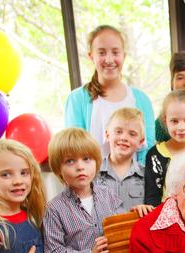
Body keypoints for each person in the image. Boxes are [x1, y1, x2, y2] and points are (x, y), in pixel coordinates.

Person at [64, 24, 155, 166]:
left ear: (123, 55)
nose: (109, 59)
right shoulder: (77, 99)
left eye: (115, 52)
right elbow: (73, 149)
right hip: (92, 184)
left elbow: (147, 150)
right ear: (91, 56)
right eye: (101, 53)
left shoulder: (141, 99)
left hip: (133, 183)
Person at [97, 107, 154, 217]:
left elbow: (154, 212)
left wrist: (147, 209)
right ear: (108, 135)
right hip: (102, 233)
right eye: (118, 131)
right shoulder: (93, 174)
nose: (124, 137)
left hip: (136, 233)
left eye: (132, 134)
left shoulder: (147, 175)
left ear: (141, 142)